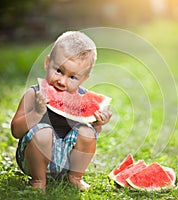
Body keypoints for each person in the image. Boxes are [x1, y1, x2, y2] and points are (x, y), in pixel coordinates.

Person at [11, 31, 112, 191]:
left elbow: (92, 135)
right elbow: (16, 131)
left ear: (84, 78)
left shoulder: (83, 97)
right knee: (42, 132)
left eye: (73, 77)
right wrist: (37, 113)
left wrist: (98, 122)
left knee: (88, 132)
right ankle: (38, 181)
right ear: (47, 63)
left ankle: (75, 177)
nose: (62, 81)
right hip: (34, 160)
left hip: (67, 162)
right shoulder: (33, 93)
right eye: (58, 70)